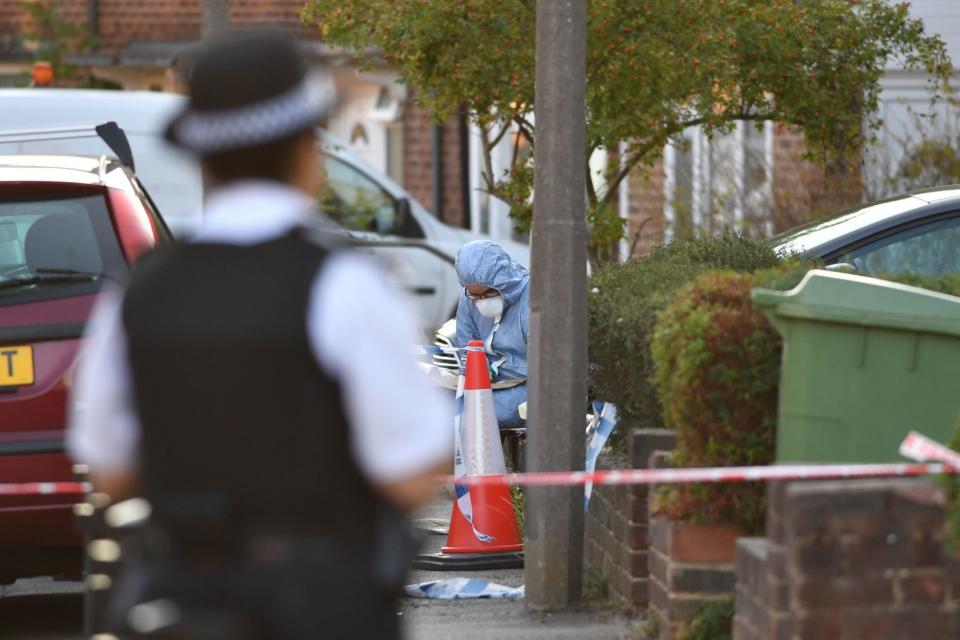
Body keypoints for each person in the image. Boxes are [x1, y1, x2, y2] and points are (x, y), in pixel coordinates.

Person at [66, 31, 451, 640]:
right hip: (322, 601)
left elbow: (108, 468)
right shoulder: (345, 285)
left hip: (182, 600)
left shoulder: (141, 294)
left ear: (202, 156)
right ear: (303, 149)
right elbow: (411, 469)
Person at [455, 240, 529, 428]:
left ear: (502, 282)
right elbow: (467, 345)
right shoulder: (467, 298)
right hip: (488, 384)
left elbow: (546, 365)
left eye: (487, 294)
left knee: (475, 414)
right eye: (475, 296)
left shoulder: (531, 298)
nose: (481, 302)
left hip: (530, 385)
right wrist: (480, 368)